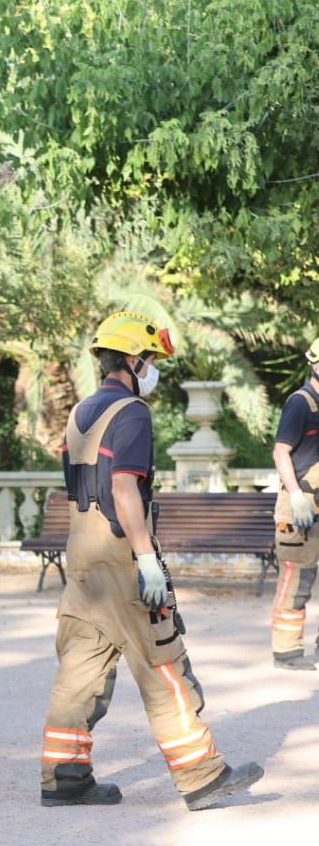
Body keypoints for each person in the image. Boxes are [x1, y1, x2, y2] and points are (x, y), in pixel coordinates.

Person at [40, 311, 262, 810]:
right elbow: (123, 489)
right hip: (120, 555)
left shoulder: (81, 412)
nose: (154, 369)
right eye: (151, 359)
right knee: (163, 661)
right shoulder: (132, 413)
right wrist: (145, 558)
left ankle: (64, 777)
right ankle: (202, 775)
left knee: (81, 669)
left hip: (82, 555)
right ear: (134, 360)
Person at [269, 337, 319, 671]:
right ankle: (286, 652)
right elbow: (280, 452)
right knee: (297, 580)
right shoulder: (300, 403)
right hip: (299, 507)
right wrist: (296, 495)